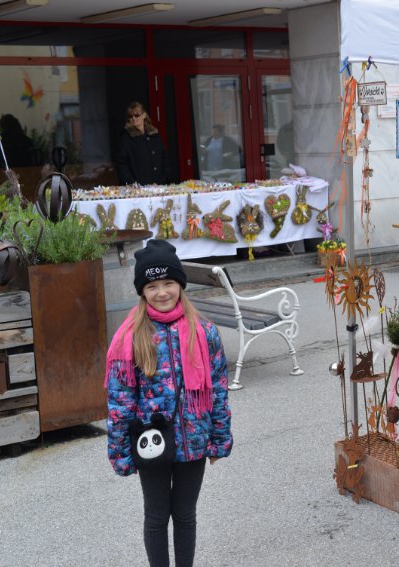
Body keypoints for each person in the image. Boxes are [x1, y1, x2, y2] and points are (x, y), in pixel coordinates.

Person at [105, 240, 232, 567]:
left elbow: (218, 389)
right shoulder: (130, 337)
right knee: (157, 516)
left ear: (180, 284)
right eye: (152, 285)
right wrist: (120, 451)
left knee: (186, 515)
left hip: (194, 440)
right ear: (142, 291)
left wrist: (219, 439)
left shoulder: (204, 332)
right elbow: (120, 400)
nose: (162, 292)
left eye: (169, 283)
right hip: (152, 445)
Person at [116, 101, 171, 185]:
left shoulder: (154, 134)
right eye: (131, 116)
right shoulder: (126, 137)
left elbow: (164, 157)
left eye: (137, 115)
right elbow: (122, 163)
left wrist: (165, 177)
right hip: (138, 189)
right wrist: (132, 183)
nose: (133, 118)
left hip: (159, 185)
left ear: (144, 115)